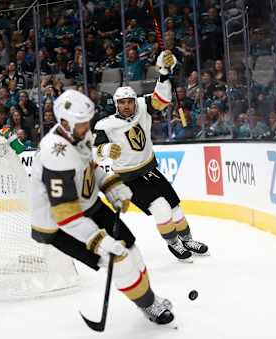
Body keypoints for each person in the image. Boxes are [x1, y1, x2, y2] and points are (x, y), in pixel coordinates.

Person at [30, 89, 175, 325]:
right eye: (81, 123)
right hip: (58, 226)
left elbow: (92, 166)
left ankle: (148, 298)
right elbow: (64, 213)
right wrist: (97, 239)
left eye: (87, 121)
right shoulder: (55, 154)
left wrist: (111, 185)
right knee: (120, 261)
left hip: (89, 206)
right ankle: (148, 304)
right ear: (64, 123)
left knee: (132, 251)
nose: (87, 127)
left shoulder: (79, 135)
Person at [93, 51, 209, 262]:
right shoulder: (105, 125)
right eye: (122, 103)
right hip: (128, 179)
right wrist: (106, 150)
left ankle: (187, 239)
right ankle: (173, 243)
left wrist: (163, 74)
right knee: (161, 208)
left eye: (129, 101)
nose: (127, 105)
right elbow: (93, 151)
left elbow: (162, 99)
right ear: (116, 104)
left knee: (175, 206)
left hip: (149, 170)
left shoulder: (143, 106)